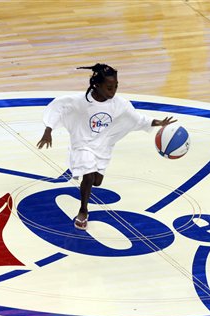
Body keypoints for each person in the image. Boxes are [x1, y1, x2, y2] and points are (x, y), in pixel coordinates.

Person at [37, 63, 176, 230]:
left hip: (103, 146)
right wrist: (48, 129)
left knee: (97, 182)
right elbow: (59, 107)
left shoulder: (120, 104)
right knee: (88, 176)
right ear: (97, 85)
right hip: (82, 144)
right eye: (109, 87)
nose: (114, 91)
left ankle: (88, 189)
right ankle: (83, 211)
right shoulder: (81, 102)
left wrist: (157, 122)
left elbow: (137, 118)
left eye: (116, 86)